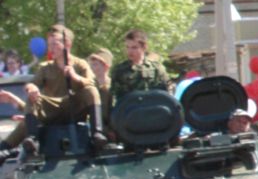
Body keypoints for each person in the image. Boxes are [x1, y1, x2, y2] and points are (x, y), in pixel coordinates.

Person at [0, 24, 100, 157]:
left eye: (54, 44)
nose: (50, 48)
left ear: (67, 44)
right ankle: (33, 140)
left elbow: (92, 83)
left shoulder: (80, 64)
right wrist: (32, 88)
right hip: (52, 110)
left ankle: (97, 134)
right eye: (49, 44)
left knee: (91, 91)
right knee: (32, 97)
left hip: (75, 108)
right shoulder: (45, 67)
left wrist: (75, 76)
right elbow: (32, 84)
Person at [108, 28, 172, 116]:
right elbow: (113, 97)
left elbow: (168, 93)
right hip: (129, 115)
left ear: (144, 47)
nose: (130, 51)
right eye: (127, 47)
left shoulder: (157, 69)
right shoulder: (119, 70)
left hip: (153, 114)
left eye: (134, 47)